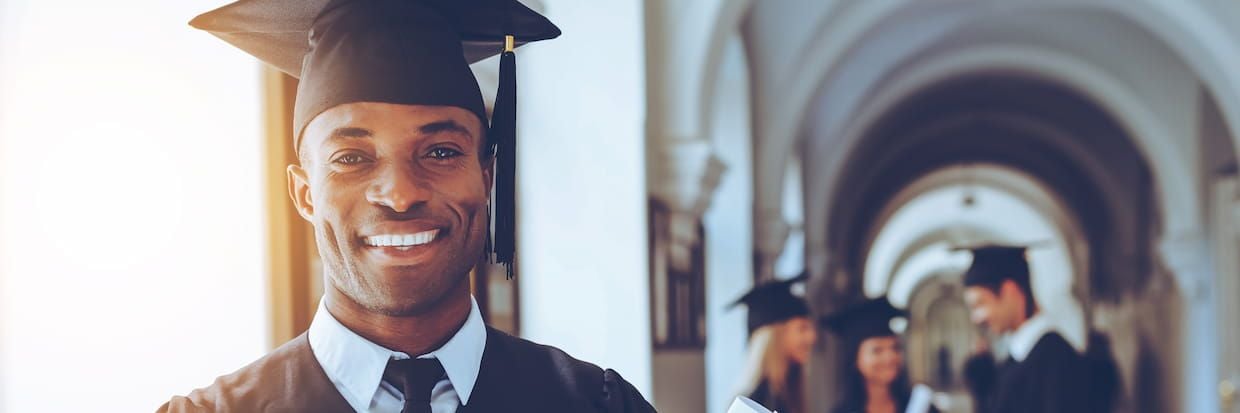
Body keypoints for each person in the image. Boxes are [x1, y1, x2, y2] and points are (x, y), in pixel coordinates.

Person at [160, 0, 655, 412]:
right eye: (351, 158)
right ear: (304, 194)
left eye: (440, 152)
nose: (400, 194)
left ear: (486, 178)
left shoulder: (597, 405)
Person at [959, 245, 1089, 413]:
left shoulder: (1058, 363)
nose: (975, 318)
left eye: (980, 304)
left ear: (1009, 291)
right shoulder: (1018, 357)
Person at [821, 298, 937, 413]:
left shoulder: (923, 408)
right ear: (855, 359)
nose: (890, 357)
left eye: (895, 348)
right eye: (877, 350)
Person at [731, 275, 818, 413]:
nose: (812, 337)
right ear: (777, 336)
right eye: (802, 328)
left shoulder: (786, 395)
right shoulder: (759, 402)